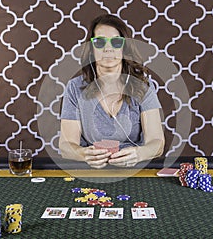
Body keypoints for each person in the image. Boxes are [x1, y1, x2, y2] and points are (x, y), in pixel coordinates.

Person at [59, 14, 165, 169]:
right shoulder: (75, 88)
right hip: (90, 172)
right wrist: (84, 154)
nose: (108, 49)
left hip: (134, 171)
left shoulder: (143, 87)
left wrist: (139, 154)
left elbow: (157, 143)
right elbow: (66, 146)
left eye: (116, 42)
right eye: (100, 42)